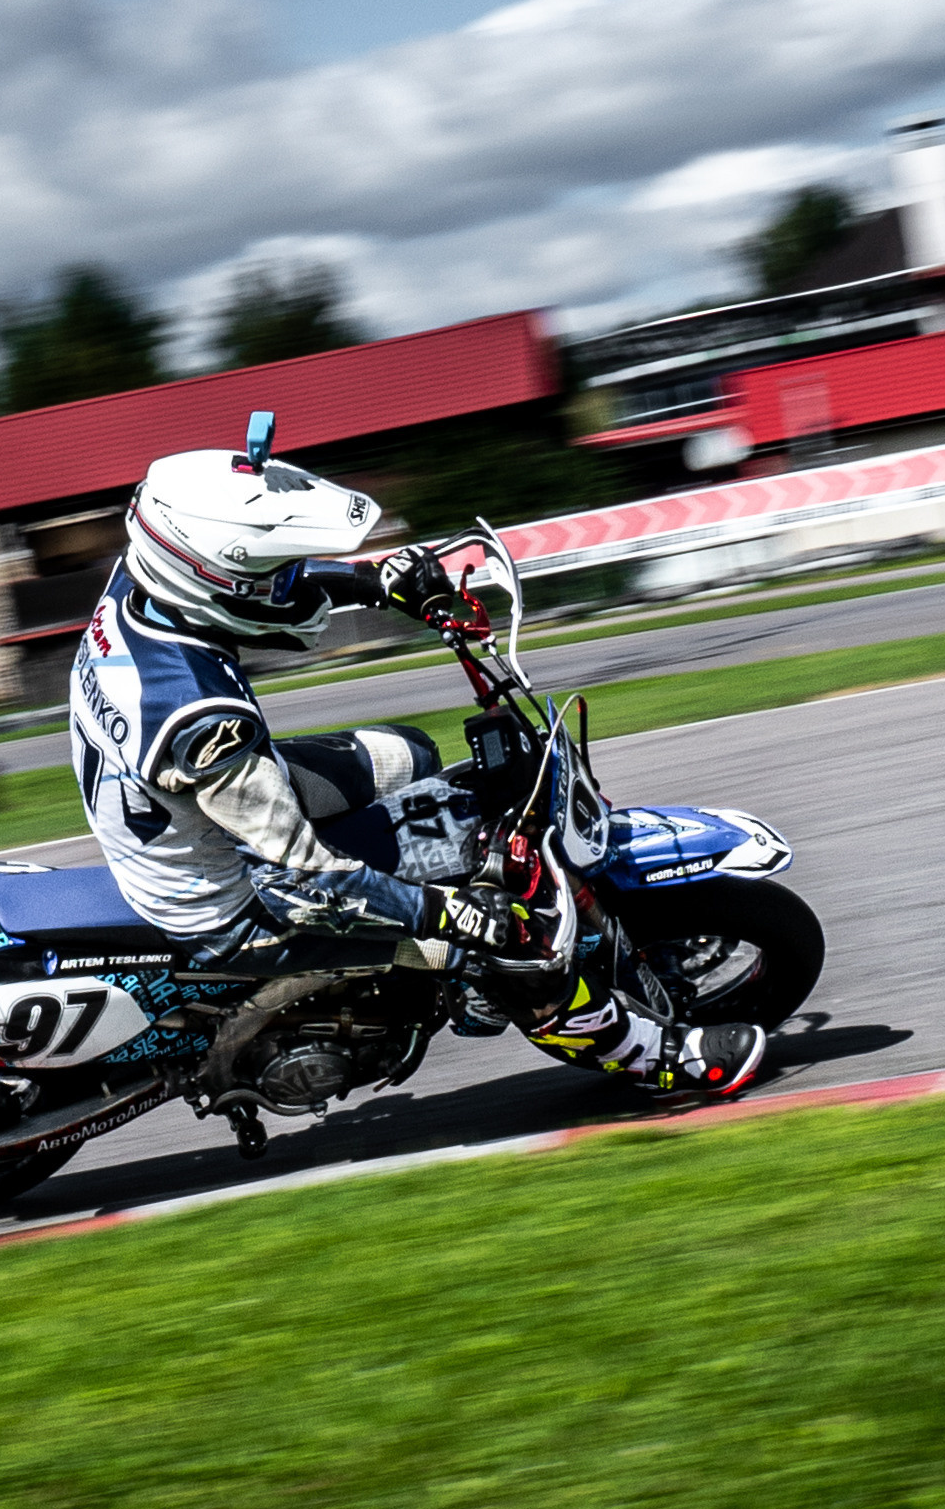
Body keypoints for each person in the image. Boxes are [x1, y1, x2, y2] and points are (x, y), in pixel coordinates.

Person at [66, 433, 762, 1091]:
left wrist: (380, 580)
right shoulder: (195, 715)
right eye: (274, 577)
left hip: (192, 809)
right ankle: (651, 1057)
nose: (291, 586)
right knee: (514, 931)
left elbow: (272, 588)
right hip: (233, 901)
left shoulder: (145, 584)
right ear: (216, 580)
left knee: (414, 754)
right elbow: (313, 880)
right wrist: (451, 915)